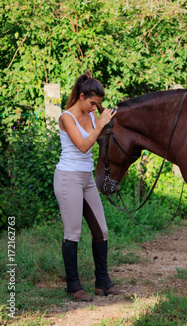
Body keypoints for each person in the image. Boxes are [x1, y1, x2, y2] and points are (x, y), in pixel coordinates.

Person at [53, 73, 123, 301]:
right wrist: (101, 123)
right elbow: (84, 146)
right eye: (92, 103)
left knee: (101, 231)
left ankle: (102, 281)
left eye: (98, 104)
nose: (95, 108)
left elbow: (104, 140)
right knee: (73, 232)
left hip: (87, 178)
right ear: (81, 96)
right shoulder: (66, 117)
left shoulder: (93, 116)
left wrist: (108, 121)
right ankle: (73, 285)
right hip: (68, 177)